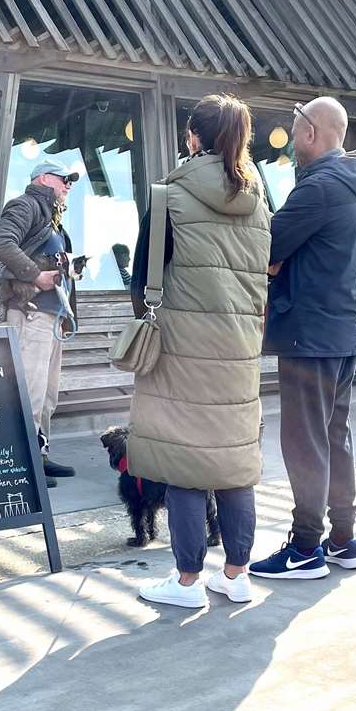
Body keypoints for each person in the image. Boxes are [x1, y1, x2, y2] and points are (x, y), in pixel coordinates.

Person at [126, 94, 271, 609]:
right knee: (233, 459)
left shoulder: (171, 194)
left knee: (185, 460)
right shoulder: (259, 199)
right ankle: (236, 574)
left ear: (193, 138)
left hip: (182, 348)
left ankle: (187, 580)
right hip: (240, 349)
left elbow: (146, 278)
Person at [247, 97, 356, 581]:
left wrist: (276, 259)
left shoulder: (319, 188)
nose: (292, 140)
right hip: (344, 329)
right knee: (334, 436)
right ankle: (342, 539)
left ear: (310, 134)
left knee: (305, 442)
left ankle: (305, 547)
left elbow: (265, 248)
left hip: (309, 333)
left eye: (295, 130)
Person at [0, 160, 81, 487]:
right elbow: (1, 242)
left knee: (47, 394)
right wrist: (34, 274)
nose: (69, 185)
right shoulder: (26, 204)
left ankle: (38, 456)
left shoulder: (50, 215)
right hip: (30, 313)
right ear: (43, 178)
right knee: (29, 391)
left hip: (51, 315)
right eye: (64, 179)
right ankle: (24, 463)